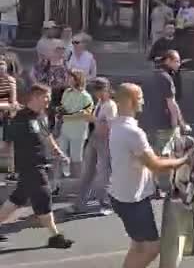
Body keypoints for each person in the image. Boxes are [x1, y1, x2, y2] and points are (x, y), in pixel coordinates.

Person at [94, 83, 190, 268]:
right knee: (152, 248)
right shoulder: (131, 131)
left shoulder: (119, 125)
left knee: (138, 248)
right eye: (140, 97)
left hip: (126, 194)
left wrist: (164, 158)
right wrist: (183, 160)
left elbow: (144, 159)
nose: (144, 101)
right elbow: (155, 165)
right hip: (131, 199)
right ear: (129, 101)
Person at [0, 84, 73, 248]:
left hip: (39, 163)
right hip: (29, 165)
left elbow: (47, 136)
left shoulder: (41, 116)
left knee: (17, 199)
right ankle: (55, 236)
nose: (48, 100)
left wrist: (59, 153)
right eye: (45, 96)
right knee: (43, 196)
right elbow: (6, 144)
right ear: (34, 97)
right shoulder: (19, 118)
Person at [75, 77, 116, 214]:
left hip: (105, 141)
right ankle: (80, 202)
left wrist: (94, 120)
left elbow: (110, 127)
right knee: (87, 171)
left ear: (105, 89)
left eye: (97, 90)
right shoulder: (99, 103)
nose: (95, 93)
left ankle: (106, 203)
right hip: (94, 138)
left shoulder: (110, 106)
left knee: (104, 173)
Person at [144, 50, 183, 154]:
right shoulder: (166, 78)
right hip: (164, 124)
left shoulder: (152, 75)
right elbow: (171, 103)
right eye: (177, 61)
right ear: (168, 61)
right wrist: (177, 125)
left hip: (151, 122)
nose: (179, 64)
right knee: (165, 154)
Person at [57, 68, 94, 177]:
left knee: (76, 158)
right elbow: (63, 107)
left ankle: (78, 179)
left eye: (70, 77)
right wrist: (59, 112)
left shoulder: (86, 96)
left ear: (77, 79)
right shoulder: (66, 92)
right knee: (61, 153)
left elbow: (85, 114)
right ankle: (63, 175)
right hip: (65, 130)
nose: (67, 79)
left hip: (78, 131)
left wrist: (67, 117)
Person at [0, 54, 18, 180]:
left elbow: (13, 102)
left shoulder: (11, 80)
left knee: (7, 146)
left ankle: (8, 173)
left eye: (2, 65)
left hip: (7, 116)